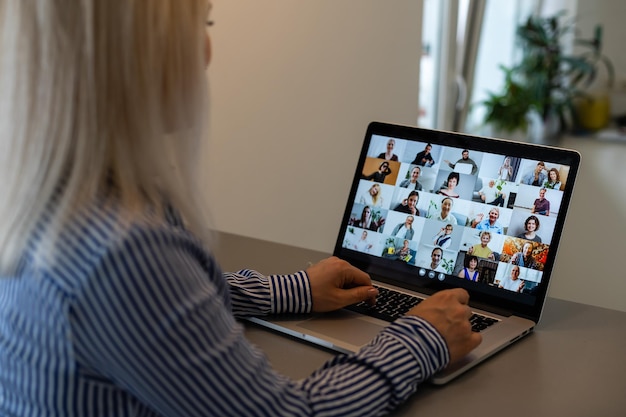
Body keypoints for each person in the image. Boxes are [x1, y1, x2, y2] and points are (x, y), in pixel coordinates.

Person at [0, 2, 481, 416]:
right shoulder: (122, 252)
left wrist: (291, 290)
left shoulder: (47, 193)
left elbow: (158, 315)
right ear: (138, 51)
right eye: (202, 25)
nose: (207, 53)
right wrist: (423, 338)